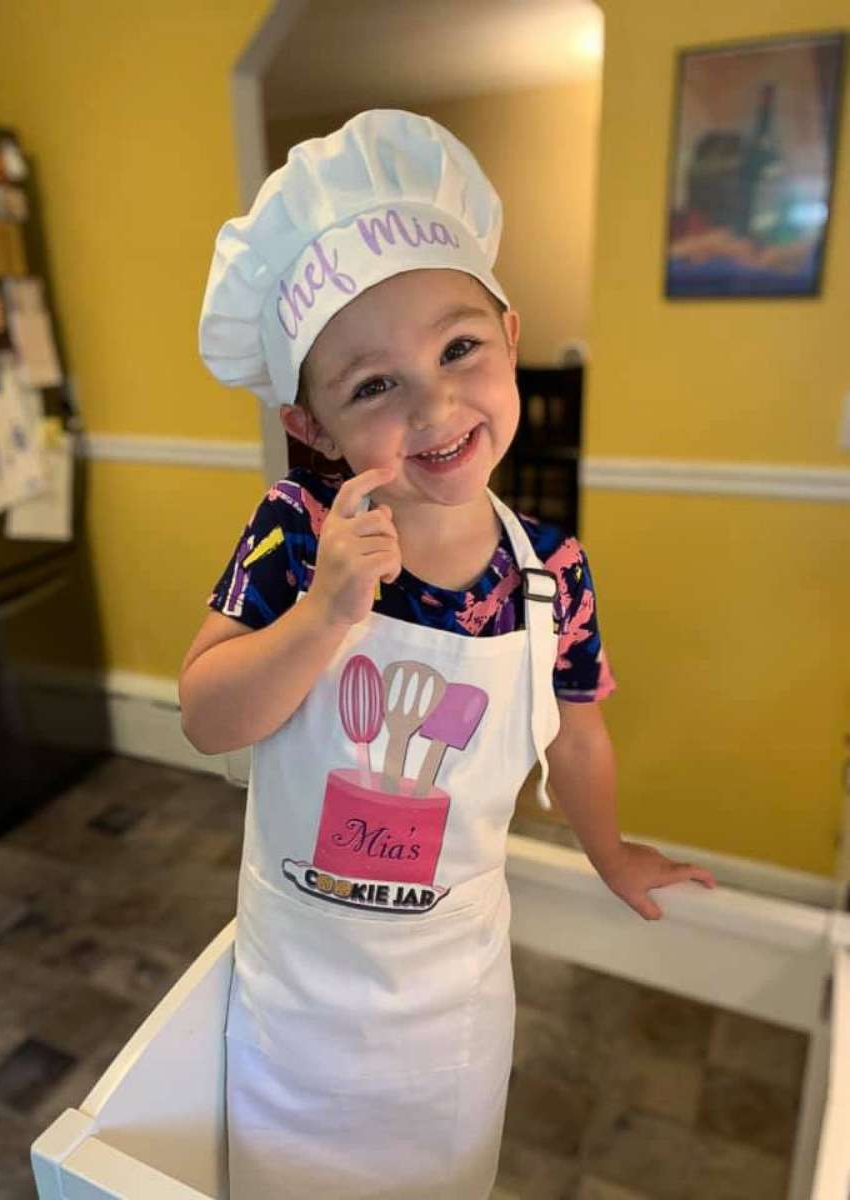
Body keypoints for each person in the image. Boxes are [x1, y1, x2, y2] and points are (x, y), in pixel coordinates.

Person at [180, 109, 716, 1200]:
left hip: (449, 1014)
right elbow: (206, 716)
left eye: (458, 348)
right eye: (373, 385)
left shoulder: (550, 574)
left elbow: (576, 734)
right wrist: (326, 613)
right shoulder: (294, 533)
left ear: (511, 335)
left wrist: (611, 854)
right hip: (300, 1009)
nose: (435, 404)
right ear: (314, 425)